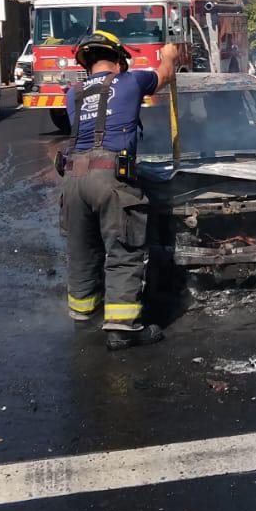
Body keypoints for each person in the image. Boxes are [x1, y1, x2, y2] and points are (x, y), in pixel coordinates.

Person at [61, 30, 179, 350]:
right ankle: (122, 329)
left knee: (81, 249)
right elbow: (166, 74)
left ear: (87, 65)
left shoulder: (73, 93)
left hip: (73, 180)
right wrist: (169, 53)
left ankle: (84, 315)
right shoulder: (130, 81)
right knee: (124, 250)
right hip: (109, 179)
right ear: (118, 60)